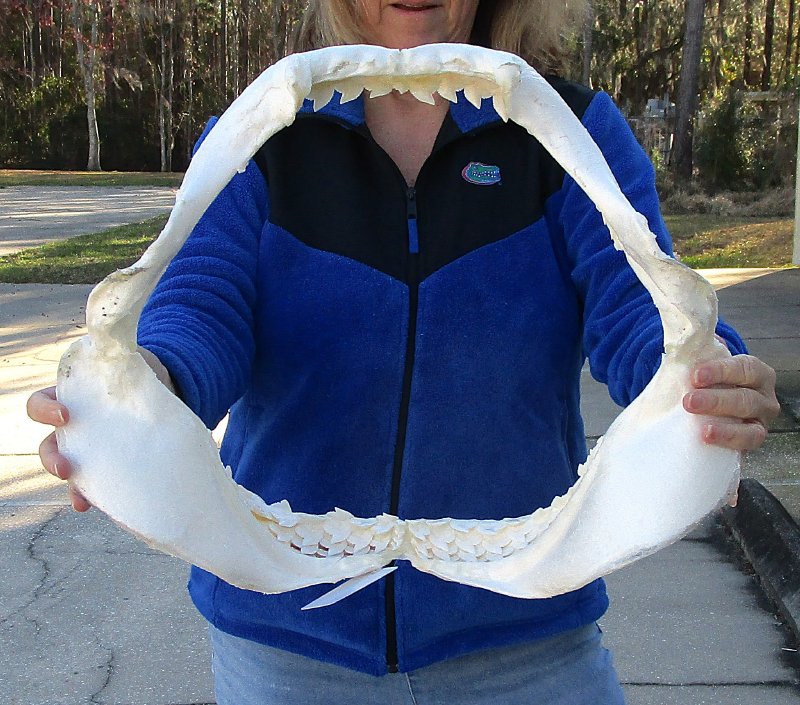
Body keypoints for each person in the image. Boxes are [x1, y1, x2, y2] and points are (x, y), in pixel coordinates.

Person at [28, 1, 781, 703]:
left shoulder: (572, 133)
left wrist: (705, 378)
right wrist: (138, 388)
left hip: (527, 651)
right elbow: (200, 307)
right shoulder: (261, 132)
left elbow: (641, 307)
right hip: (288, 655)